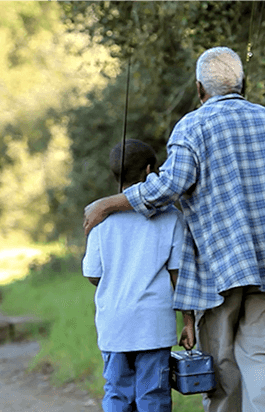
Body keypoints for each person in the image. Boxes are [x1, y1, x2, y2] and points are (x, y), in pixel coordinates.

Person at [83, 47, 265, 412]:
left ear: (199, 89)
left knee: (223, 367)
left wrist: (108, 204)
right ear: (244, 84)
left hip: (221, 268)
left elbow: (167, 187)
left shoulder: (192, 127)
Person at [83, 139, 195, 412]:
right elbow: (178, 277)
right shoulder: (171, 217)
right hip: (153, 325)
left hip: (114, 323)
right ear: (149, 171)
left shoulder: (100, 219)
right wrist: (189, 322)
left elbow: (92, 274)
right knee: (153, 395)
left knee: (116, 393)